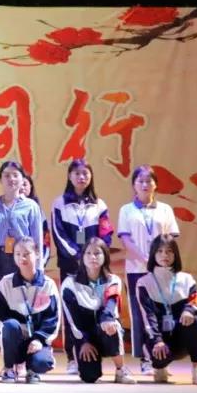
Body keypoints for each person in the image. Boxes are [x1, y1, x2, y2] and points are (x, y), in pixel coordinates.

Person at [50, 158, 112, 374]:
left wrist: (96, 256)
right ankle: (72, 358)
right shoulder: (59, 203)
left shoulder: (99, 205)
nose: (81, 177)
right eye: (77, 173)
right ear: (69, 176)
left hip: (95, 266)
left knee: (97, 308)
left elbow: (106, 234)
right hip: (71, 264)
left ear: (91, 176)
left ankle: (96, 352)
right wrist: (78, 256)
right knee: (71, 310)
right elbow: (58, 233)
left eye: (85, 173)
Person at [117, 164, 180, 374]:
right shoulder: (126, 210)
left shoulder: (165, 209)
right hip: (136, 269)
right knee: (140, 314)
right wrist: (144, 259)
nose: (145, 185)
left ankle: (161, 358)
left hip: (162, 270)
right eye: (140, 181)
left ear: (155, 184)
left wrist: (159, 261)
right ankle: (145, 358)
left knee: (162, 312)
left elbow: (170, 239)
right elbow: (125, 239)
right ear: (134, 185)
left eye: (149, 181)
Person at [136, 234, 197, 385]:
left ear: (175, 255)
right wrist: (157, 340)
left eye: (169, 251)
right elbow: (147, 317)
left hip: (181, 338)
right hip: (159, 340)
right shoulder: (144, 283)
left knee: (196, 322)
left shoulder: (186, 279)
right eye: (160, 251)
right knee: (158, 354)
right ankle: (160, 367)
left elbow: (196, 300)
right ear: (153, 254)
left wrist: (189, 310)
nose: (165, 255)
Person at [61, 238, 135, 384]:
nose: (92, 257)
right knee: (89, 377)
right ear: (82, 257)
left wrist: (107, 321)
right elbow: (72, 320)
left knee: (112, 325)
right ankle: (80, 356)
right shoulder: (70, 284)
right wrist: (84, 341)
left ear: (105, 256)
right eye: (88, 253)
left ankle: (121, 370)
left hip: (105, 330)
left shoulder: (113, 280)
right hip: (84, 336)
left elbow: (110, 308)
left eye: (97, 253)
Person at [0, 237, 60, 384]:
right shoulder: (6, 283)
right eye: (17, 254)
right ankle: (9, 368)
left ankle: (32, 370)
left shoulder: (48, 285)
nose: (22, 258)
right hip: (15, 339)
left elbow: (53, 319)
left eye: (26, 254)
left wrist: (38, 339)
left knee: (43, 362)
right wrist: (13, 333)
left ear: (37, 254)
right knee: (10, 325)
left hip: (37, 339)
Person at [0, 161, 43, 301]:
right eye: (6, 175)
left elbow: (37, 239)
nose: (11, 179)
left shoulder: (31, 206)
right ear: (0, 179)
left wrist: (38, 267)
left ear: (23, 179)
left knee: (22, 300)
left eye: (15, 175)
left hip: (23, 258)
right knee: (0, 301)